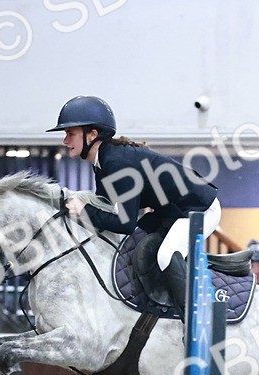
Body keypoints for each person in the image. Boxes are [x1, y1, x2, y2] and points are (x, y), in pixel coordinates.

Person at [50, 96, 220, 319]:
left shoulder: (117, 164)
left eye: (70, 134)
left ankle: (196, 319)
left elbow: (124, 223)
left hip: (198, 209)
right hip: (168, 212)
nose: (65, 140)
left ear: (92, 134)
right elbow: (106, 209)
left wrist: (80, 210)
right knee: (131, 248)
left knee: (166, 256)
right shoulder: (102, 162)